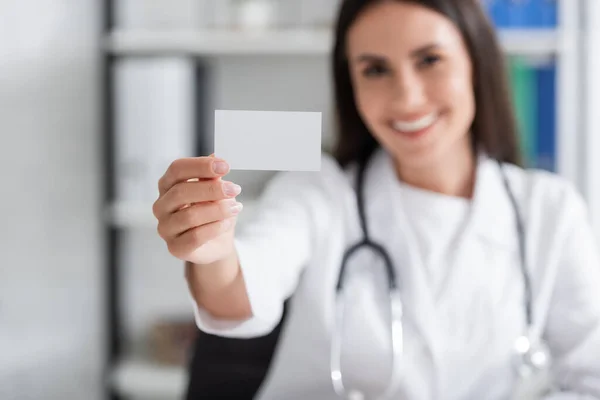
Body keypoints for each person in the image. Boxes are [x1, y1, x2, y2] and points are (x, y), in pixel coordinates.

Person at [152, 0, 600, 399]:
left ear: (476, 63)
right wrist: (212, 251)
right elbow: (245, 286)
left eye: (430, 60)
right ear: (352, 87)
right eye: (375, 69)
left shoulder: (549, 211)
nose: (407, 97)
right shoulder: (319, 192)